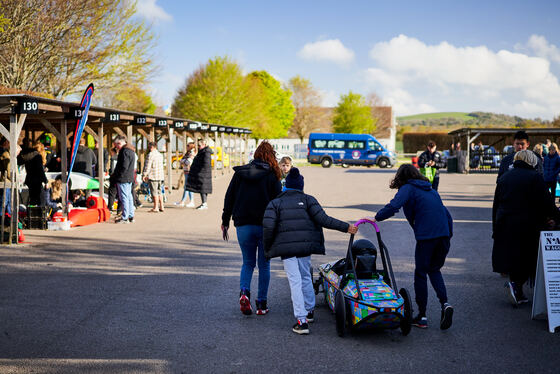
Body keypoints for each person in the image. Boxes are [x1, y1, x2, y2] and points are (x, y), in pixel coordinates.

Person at [263, 167, 358, 335]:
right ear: (300, 186)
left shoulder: (275, 202)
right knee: (306, 277)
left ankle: (301, 321)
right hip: (305, 247)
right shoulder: (308, 200)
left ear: (286, 186)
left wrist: (267, 248)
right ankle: (309, 311)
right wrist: (346, 227)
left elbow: (268, 227)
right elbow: (324, 219)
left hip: (287, 249)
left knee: (295, 282)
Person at [366, 164, 454, 330]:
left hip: (427, 237)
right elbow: (446, 215)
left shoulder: (408, 188)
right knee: (434, 270)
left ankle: (422, 316)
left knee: (420, 273)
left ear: (401, 177)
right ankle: (445, 304)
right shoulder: (431, 190)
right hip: (443, 235)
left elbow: (394, 206)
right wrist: (447, 235)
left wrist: (376, 218)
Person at [221, 141, 282, 316]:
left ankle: (244, 293)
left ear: (255, 155)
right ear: (271, 156)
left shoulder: (240, 173)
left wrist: (225, 220)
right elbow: (278, 202)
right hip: (266, 226)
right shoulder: (272, 175)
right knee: (265, 265)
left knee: (247, 263)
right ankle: (262, 304)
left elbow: (229, 197)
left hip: (243, 225)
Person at [492, 150, 559, 305]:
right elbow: (546, 202)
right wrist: (555, 217)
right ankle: (516, 287)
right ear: (532, 161)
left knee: (513, 257)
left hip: (505, 223)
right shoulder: (534, 177)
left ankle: (517, 290)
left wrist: (495, 226)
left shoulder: (504, 177)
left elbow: (496, 204)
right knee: (528, 259)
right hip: (527, 225)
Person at [110, 135, 136, 223]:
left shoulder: (124, 151)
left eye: (116, 145)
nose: (116, 147)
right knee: (129, 196)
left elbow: (124, 166)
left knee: (124, 197)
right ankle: (130, 215)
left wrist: (118, 175)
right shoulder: (131, 150)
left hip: (123, 178)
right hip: (129, 177)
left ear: (119, 143)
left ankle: (125, 217)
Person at [18, 141, 48, 206]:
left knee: (33, 200)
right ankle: (39, 215)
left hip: (30, 180)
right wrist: (45, 180)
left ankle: (32, 214)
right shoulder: (37, 156)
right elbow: (40, 170)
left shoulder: (28, 155)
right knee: (42, 200)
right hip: (37, 181)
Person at [186, 139, 213, 210]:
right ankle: (204, 203)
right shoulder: (204, 152)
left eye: (199, 145)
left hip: (203, 174)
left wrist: (199, 170)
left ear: (204, 145)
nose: (198, 147)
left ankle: (204, 204)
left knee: (203, 189)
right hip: (203, 174)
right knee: (203, 189)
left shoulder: (206, 152)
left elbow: (205, 164)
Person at [142, 141, 165, 212]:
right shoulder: (160, 154)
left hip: (153, 176)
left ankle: (156, 207)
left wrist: (144, 174)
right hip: (160, 176)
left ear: (151, 147)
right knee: (159, 191)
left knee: (154, 192)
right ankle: (161, 206)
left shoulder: (150, 155)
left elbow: (148, 166)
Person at [175, 142, 195, 207]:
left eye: (188, 146)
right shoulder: (187, 153)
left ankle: (187, 201)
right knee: (187, 187)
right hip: (186, 171)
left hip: (190, 172)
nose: (187, 147)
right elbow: (181, 160)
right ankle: (185, 201)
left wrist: (183, 161)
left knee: (187, 187)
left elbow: (188, 162)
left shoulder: (192, 153)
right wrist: (183, 161)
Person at [107, 147, 118, 213]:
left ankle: (110, 207)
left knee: (111, 193)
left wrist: (110, 173)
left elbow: (112, 169)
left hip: (114, 177)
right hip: (119, 177)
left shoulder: (113, 158)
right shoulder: (119, 157)